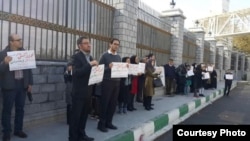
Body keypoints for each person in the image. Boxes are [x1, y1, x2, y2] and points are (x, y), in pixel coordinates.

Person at [0, 34, 33, 141]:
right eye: (18, 40)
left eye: (20, 39)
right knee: (7, 110)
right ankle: (6, 132)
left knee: (20, 109)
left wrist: (30, 83)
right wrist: (5, 63)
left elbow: (29, 70)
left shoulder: (25, 53)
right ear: (11, 42)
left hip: (22, 85)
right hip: (9, 86)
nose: (20, 41)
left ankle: (18, 130)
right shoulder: (3, 54)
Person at [68, 36, 98, 141]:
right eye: (86, 43)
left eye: (89, 43)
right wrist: (90, 65)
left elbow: (90, 73)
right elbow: (76, 73)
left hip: (88, 92)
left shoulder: (90, 57)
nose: (89, 45)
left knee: (84, 116)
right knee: (76, 117)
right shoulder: (75, 57)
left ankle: (82, 135)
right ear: (80, 46)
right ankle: (73, 137)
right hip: (78, 93)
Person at [97, 38, 121, 132]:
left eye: (118, 44)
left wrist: (125, 67)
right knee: (105, 103)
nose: (116, 46)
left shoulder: (118, 57)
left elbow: (119, 69)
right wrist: (108, 67)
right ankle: (101, 124)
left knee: (113, 104)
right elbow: (99, 69)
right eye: (114, 44)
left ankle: (109, 122)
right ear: (110, 44)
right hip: (107, 82)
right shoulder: (104, 56)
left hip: (117, 82)